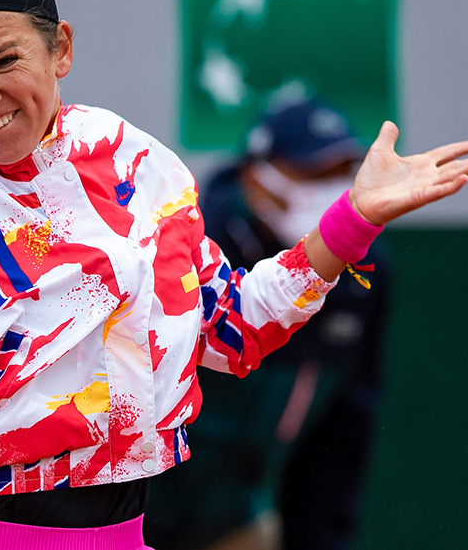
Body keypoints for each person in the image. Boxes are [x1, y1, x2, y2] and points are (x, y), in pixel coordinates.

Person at [0, 0, 468, 549]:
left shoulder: (136, 163)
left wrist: (352, 219)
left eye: (4, 60)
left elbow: (230, 328)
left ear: (61, 50)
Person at [143, 99, 390, 550]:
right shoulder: (184, 246)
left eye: (340, 173)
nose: (327, 189)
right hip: (132, 512)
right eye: (310, 172)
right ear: (256, 174)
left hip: (235, 515)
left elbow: (344, 428)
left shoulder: (363, 273)